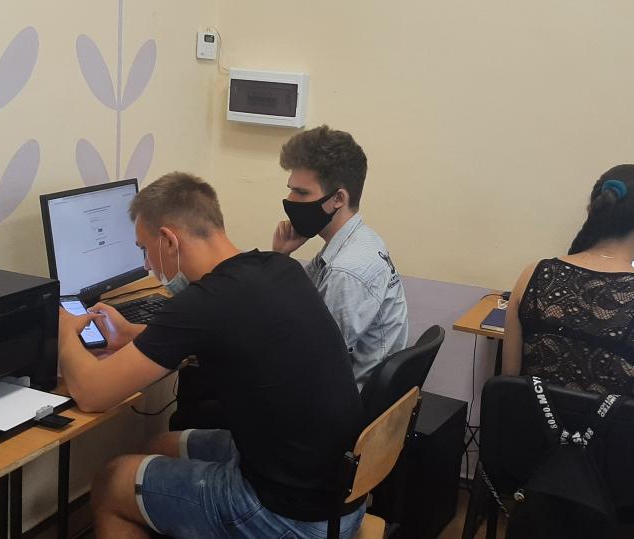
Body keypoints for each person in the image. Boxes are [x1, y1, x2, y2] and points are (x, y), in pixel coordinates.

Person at [56, 172, 366, 538]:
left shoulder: (204, 302)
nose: (147, 266)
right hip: (337, 494)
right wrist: (130, 335)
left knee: (111, 482)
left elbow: (93, 393)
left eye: (144, 249)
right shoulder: (277, 267)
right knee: (159, 446)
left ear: (168, 240)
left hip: (290, 518)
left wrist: (63, 332)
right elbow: (219, 335)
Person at [501, 164, 634, 406]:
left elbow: (509, 383)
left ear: (592, 210)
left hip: (530, 428)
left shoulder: (534, 274)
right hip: (613, 432)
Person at [270, 125, 409, 390]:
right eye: (291, 189)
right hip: (337, 388)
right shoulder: (358, 240)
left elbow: (316, 359)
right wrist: (281, 255)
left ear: (338, 198)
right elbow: (296, 308)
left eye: (301, 192)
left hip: (341, 402)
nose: (290, 199)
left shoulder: (346, 271)